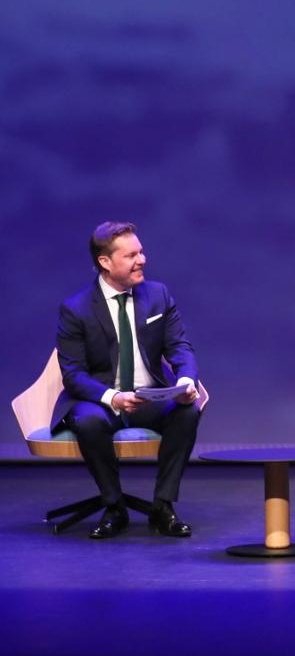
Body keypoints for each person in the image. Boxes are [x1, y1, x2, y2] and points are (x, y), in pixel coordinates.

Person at [54, 222, 202, 539]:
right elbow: (73, 375)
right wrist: (114, 397)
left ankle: (163, 507)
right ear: (105, 262)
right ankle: (114, 506)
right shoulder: (76, 309)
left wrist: (186, 380)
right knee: (88, 422)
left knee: (187, 412)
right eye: (131, 255)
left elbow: (180, 347)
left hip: (149, 397)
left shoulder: (158, 295)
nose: (142, 260)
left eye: (141, 252)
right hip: (102, 401)